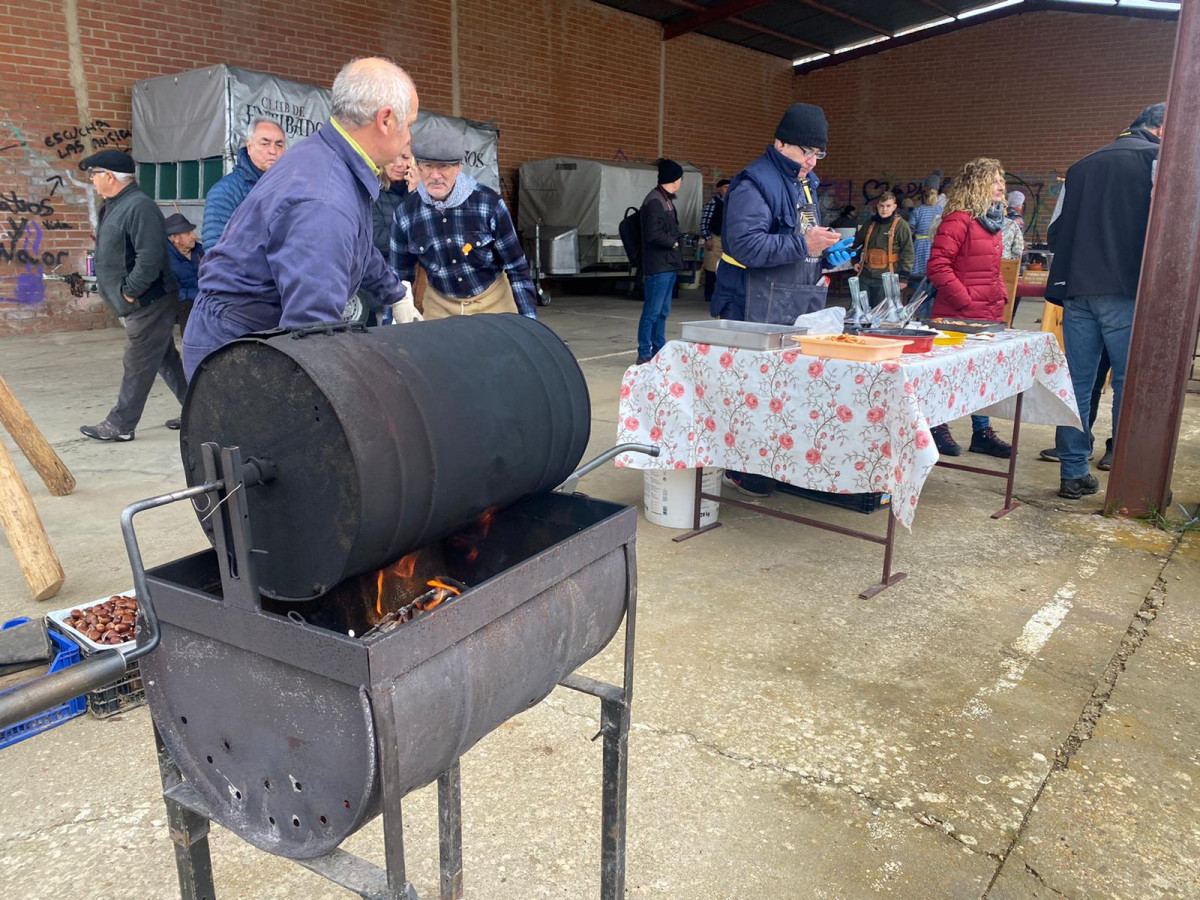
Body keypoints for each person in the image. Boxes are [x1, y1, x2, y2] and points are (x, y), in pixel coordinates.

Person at [183, 58, 419, 379]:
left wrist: (396, 294)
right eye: (410, 124)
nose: (409, 138)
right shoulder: (324, 200)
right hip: (237, 348)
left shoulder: (330, 158)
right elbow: (312, 331)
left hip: (251, 331)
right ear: (386, 120)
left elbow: (359, 247)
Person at [709, 102, 849, 496]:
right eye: (805, 152)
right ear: (779, 142)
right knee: (748, 393)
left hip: (792, 300)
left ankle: (773, 462)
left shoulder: (803, 181)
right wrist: (804, 242)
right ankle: (740, 468)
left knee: (784, 395)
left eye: (818, 154)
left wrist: (822, 253)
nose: (811, 161)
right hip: (749, 306)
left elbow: (799, 234)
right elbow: (747, 245)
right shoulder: (754, 182)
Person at [1048, 102, 1165, 499]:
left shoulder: (1080, 168)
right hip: (1127, 290)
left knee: (1077, 382)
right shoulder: (1156, 161)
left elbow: (1054, 230)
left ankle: (1073, 473)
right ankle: (1128, 474)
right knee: (1130, 384)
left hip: (1077, 291)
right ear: (1161, 129)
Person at [78, 150, 187, 441]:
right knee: (166, 359)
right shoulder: (113, 205)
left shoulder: (139, 206)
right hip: (139, 301)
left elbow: (150, 257)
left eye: (94, 174)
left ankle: (121, 425)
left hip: (149, 300)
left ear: (109, 176)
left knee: (137, 362)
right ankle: (196, 408)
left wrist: (129, 291)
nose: (92, 179)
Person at [390, 122, 535, 322]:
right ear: (418, 167)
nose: (435, 176)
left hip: (494, 303)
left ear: (458, 167)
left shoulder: (489, 204)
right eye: (428, 166)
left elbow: (517, 268)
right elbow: (399, 276)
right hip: (439, 307)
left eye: (443, 167)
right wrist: (394, 322)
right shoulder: (405, 214)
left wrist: (529, 323)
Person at [925, 157, 1012, 459]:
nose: (1001, 185)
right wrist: (965, 299)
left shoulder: (993, 222)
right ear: (976, 185)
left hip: (986, 312)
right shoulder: (958, 219)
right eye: (994, 180)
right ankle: (937, 427)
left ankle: (982, 431)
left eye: (1001, 179)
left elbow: (992, 268)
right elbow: (937, 266)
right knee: (948, 374)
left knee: (982, 376)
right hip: (956, 315)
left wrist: (999, 294)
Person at [201, 118, 285, 249]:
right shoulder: (225, 191)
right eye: (265, 144)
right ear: (249, 147)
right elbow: (215, 250)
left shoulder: (290, 187)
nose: (273, 151)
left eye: (279, 145)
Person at [634, 158, 684, 363]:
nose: (681, 181)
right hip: (659, 265)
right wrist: (673, 243)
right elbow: (653, 234)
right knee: (652, 311)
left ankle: (658, 349)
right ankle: (644, 352)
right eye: (681, 178)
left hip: (667, 264)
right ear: (674, 179)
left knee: (662, 311)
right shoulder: (655, 201)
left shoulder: (665, 199)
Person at [851, 191, 913, 304]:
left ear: (894, 207)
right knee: (860, 311)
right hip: (865, 274)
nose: (884, 209)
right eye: (881, 206)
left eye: (888, 206)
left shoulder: (901, 225)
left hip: (887, 276)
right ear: (877, 206)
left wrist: (904, 277)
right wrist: (854, 260)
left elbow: (908, 252)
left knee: (882, 313)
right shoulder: (869, 223)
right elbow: (857, 244)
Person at [164, 212, 202, 342]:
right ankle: (191, 346)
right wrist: (198, 294)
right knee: (187, 308)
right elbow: (172, 291)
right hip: (179, 302)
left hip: (203, 296)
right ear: (175, 238)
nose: (194, 236)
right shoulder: (164, 258)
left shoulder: (199, 251)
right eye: (188, 233)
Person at [701, 178, 730, 311]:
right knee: (711, 268)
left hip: (727, 240)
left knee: (724, 269)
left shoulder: (733, 202)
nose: (727, 189)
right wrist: (707, 237)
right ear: (719, 189)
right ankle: (709, 296)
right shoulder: (714, 202)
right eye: (725, 187)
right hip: (715, 238)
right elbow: (704, 221)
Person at [908, 187, 941, 288]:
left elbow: (911, 229)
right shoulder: (942, 210)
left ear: (924, 197)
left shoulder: (917, 211)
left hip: (920, 245)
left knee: (918, 275)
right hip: (936, 244)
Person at [1002, 189, 1025, 261]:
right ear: (1018, 205)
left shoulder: (999, 216)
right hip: (1007, 259)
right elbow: (1018, 248)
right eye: (1021, 205)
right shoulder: (1018, 220)